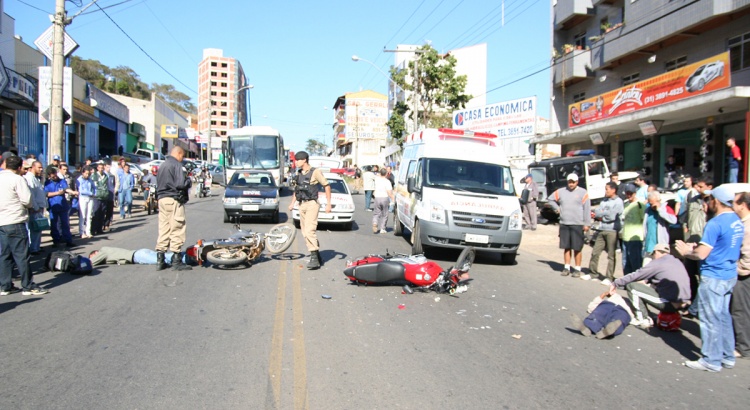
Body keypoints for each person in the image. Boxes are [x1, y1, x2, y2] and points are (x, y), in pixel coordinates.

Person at [676, 184, 744, 372]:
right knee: (723, 316)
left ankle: (711, 359)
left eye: (709, 199)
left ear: (717, 201)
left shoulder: (715, 223)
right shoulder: (736, 221)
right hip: (729, 274)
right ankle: (727, 356)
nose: (707, 202)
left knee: (709, 319)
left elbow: (702, 254)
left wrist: (687, 252)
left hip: (714, 275)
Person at [606, 243, 692, 328]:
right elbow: (655, 277)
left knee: (632, 287)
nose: (652, 257)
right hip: (683, 303)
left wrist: (616, 283)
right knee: (641, 288)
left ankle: (642, 319)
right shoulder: (676, 261)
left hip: (669, 303)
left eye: (653, 255)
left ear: (657, 252)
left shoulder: (658, 263)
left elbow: (636, 275)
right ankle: (648, 315)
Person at [0, 156, 48, 296]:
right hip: (15, 219)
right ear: (19, 167)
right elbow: (27, 200)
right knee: (22, 255)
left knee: (5, 255)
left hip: (2, 221)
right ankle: (28, 286)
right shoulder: (18, 179)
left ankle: (5, 285)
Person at [287, 151, 331, 269]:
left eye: (298, 160)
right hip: (302, 204)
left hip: (312, 204)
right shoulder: (299, 173)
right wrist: (292, 204)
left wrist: (328, 204)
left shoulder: (315, 172)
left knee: (310, 231)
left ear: (304, 160)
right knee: (304, 232)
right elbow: (297, 191)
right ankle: (316, 254)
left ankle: (314, 258)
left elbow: (327, 186)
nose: (296, 162)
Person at [155, 146, 193, 271]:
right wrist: (188, 181)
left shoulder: (163, 165)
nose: (182, 159)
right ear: (178, 153)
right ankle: (176, 260)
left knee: (164, 227)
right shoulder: (176, 165)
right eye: (182, 156)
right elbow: (180, 184)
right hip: (173, 199)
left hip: (162, 199)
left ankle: (160, 259)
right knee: (177, 227)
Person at [547, 173, 591, 278]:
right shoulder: (561, 191)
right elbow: (550, 199)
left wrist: (587, 223)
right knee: (566, 247)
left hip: (577, 224)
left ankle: (577, 268)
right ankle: (566, 267)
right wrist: (557, 209)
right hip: (564, 223)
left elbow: (587, 209)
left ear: (577, 182)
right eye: (569, 182)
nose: (571, 184)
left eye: (573, 182)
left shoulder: (583, 193)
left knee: (577, 248)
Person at [586, 182, 624, 285]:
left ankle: (609, 277)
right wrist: (602, 214)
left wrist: (602, 215)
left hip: (612, 230)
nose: (605, 191)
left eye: (607, 189)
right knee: (595, 252)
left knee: (611, 255)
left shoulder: (618, 202)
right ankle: (593, 273)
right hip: (601, 229)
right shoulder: (604, 201)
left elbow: (612, 216)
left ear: (613, 190)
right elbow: (597, 212)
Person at [731, 191, 750, 360]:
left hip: (743, 276)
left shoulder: (747, 227)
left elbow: (747, 257)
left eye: (735, 203)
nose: (732, 206)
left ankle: (743, 347)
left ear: (743, 205)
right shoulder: (741, 223)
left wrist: (737, 269)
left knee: (740, 310)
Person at [642, 191, 677, 266]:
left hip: (660, 246)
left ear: (659, 201)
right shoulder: (648, 210)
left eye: (653, 203)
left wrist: (660, 210)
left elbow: (674, 220)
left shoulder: (666, 208)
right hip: (649, 246)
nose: (652, 206)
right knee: (645, 269)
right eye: (650, 204)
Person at [44, 167, 75, 247]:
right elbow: (46, 194)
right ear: (49, 176)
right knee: (54, 225)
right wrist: (57, 193)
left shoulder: (61, 181)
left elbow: (66, 189)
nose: (55, 177)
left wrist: (72, 192)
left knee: (65, 224)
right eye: (52, 176)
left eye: (55, 175)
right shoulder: (47, 183)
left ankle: (68, 240)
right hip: (53, 206)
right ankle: (56, 240)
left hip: (63, 206)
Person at [620, 184, 645, 274]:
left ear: (635, 193)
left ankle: (636, 281)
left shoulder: (639, 205)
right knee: (625, 260)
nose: (629, 195)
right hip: (625, 236)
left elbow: (644, 220)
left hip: (636, 237)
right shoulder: (626, 204)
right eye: (627, 193)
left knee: (635, 260)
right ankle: (626, 280)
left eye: (631, 193)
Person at [23, 160, 46, 253]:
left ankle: (36, 247)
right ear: (33, 167)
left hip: (40, 207)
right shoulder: (29, 178)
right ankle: (33, 248)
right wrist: (35, 207)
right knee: (33, 230)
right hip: (34, 209)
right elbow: (31, 195)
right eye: (39, 167)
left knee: (38, 229)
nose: (41, 169)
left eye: (41, 167)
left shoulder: (36, 178)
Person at [89, 246, 195, 267]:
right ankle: (189, 254)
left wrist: (88, 262)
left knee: (166, 259)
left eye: (92, 256)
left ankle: (189, 257)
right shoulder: (107, 251)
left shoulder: (103, 250)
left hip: (138, 256)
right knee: (166, 257)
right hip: (139, 254)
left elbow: (91, 262)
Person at [372, 168, 395, 234]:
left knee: (376, 213)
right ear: (386, 174)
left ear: (380, 173)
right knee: (385, 214)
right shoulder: (387, 181)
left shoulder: (377, 180)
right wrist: (393, 199)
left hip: (377, 198)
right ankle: (382, 228)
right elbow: (389, 192)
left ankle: (375, 222)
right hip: (384, 198)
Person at [77, 166, 95, 238]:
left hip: (90, 198)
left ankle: (88, 231)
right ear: (83, 173)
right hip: (83, 198)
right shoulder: (79, 180)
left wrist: (95, 193)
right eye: (86, 173)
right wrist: (91, 193)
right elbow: (81, 190)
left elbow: (94, 187)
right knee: (83, 216)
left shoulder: (90, 179)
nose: (87, 175)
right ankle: (82, 232)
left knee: (89, 215)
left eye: (88, 174)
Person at [91, 162, 109, 235]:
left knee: (102, 213)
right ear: (97, 168)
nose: (101, 169)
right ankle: (93, 229)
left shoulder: (105, 176)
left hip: (104, 196)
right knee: (96, 213)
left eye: (102, 168)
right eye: (100, 168)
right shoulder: (94, 175)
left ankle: (99, 229)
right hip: (97, 196)